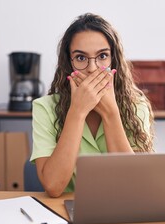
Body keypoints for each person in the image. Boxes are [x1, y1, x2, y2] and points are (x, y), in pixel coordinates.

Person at [30, 13, 154, 197]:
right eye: (81, 58)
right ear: (68, 63)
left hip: (123, 208)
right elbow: (54, 187)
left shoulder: (136, 105)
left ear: (114, 60)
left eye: (102, 56)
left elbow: (134, 185)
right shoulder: (45, 108)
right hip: (68, 212)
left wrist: (111, 114)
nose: (92, 68)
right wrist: (77, 112)